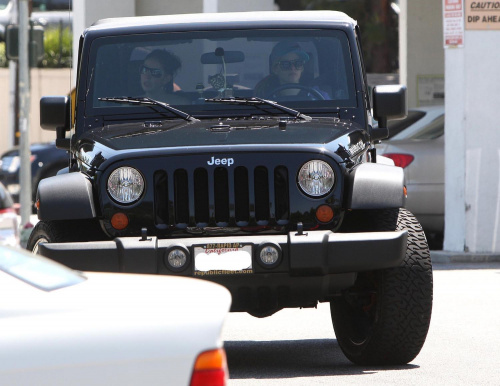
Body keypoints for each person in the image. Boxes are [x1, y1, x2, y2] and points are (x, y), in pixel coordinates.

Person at [255, 41, 329, 100]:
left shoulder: (319, 96)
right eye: (286, 64)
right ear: (275, 69)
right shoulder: (264, 100)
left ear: (302, 68)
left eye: (298, 63)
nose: (292, 68)